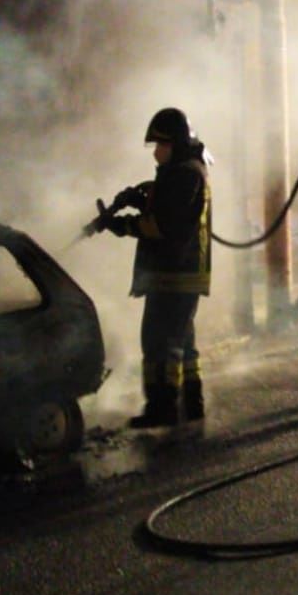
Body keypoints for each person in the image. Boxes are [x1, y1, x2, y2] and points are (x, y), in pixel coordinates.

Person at [93, 107, 213, 432]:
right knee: (182, 343)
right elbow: (168, 209)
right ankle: (192, 404)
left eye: (161, 145)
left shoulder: (185, 174)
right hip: (179, 275)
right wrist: (142, 197)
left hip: (174, 276)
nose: (157, 152)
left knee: (160, 344)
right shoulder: (184, 171)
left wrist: (121, 225)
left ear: (176, 143)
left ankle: (162, 408)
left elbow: (163, 226)